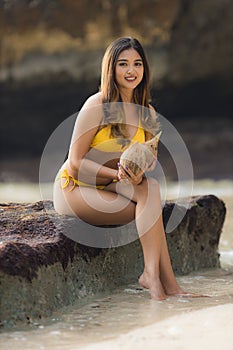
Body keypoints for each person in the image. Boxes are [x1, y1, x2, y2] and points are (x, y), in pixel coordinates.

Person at [53, 36, 200, 300]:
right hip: (75, 187)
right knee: (149, 208)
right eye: (123, 64)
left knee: (151, 188)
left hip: (113, 185)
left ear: (145, 69)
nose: (131, 71)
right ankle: (159, 283)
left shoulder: (148, 113)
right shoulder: (96, 105)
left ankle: (161, 281)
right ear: (111, 69)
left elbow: (145, 160)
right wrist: (117, 174)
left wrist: (140, 167)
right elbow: (75, 164)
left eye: (137, 64)